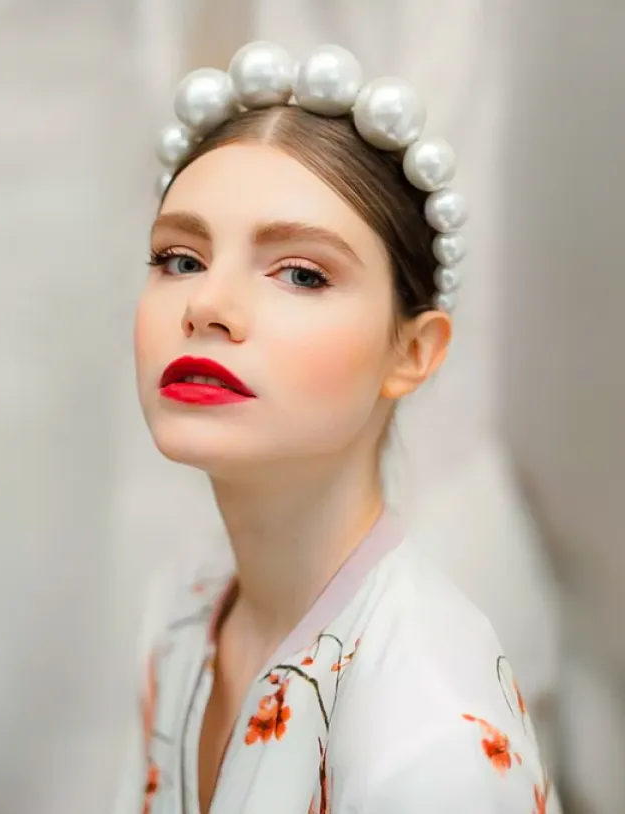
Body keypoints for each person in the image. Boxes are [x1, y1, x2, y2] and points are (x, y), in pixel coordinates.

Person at [114, 42, 557, 814]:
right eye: (180, 259)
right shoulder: (181, 609)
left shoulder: (433, 744)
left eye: (301, 273)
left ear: (413, 352)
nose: (207, 305)